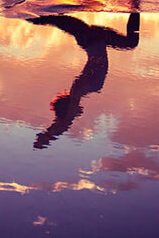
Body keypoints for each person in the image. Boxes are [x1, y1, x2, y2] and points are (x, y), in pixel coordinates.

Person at [29, 13, 140, 149]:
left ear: (69, 109)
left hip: (93, 39)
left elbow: (64, 123)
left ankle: (135, 7)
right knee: (56, 21)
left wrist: (48, 137)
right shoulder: (82, 90)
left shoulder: (77, 92)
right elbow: (65, 121)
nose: (77, 114)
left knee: (56, 20)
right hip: (94, 40)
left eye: (72, 113)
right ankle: (135, 6)